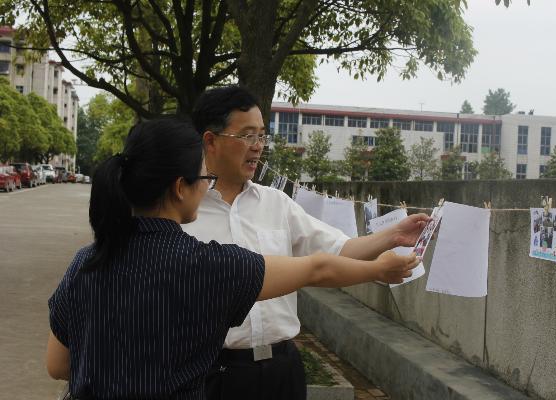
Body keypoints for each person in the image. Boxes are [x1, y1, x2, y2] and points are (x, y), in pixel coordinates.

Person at [46, 117, 420, 399]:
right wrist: (378, 269)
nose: (207, 185)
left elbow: (57, 364)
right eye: (203, 179)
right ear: (180, 188)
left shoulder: (86, 262)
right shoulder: (211, 267)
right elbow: (316, 268)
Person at [183, 86, 430, 400]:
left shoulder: (276, 204)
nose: (258, 147)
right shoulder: (184, 211)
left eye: (262, 136)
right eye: (247, 136)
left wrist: (394, 235)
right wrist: (377, 270)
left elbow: (338, 250)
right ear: (210, 140)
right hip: (212, 373)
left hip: (282, 369)